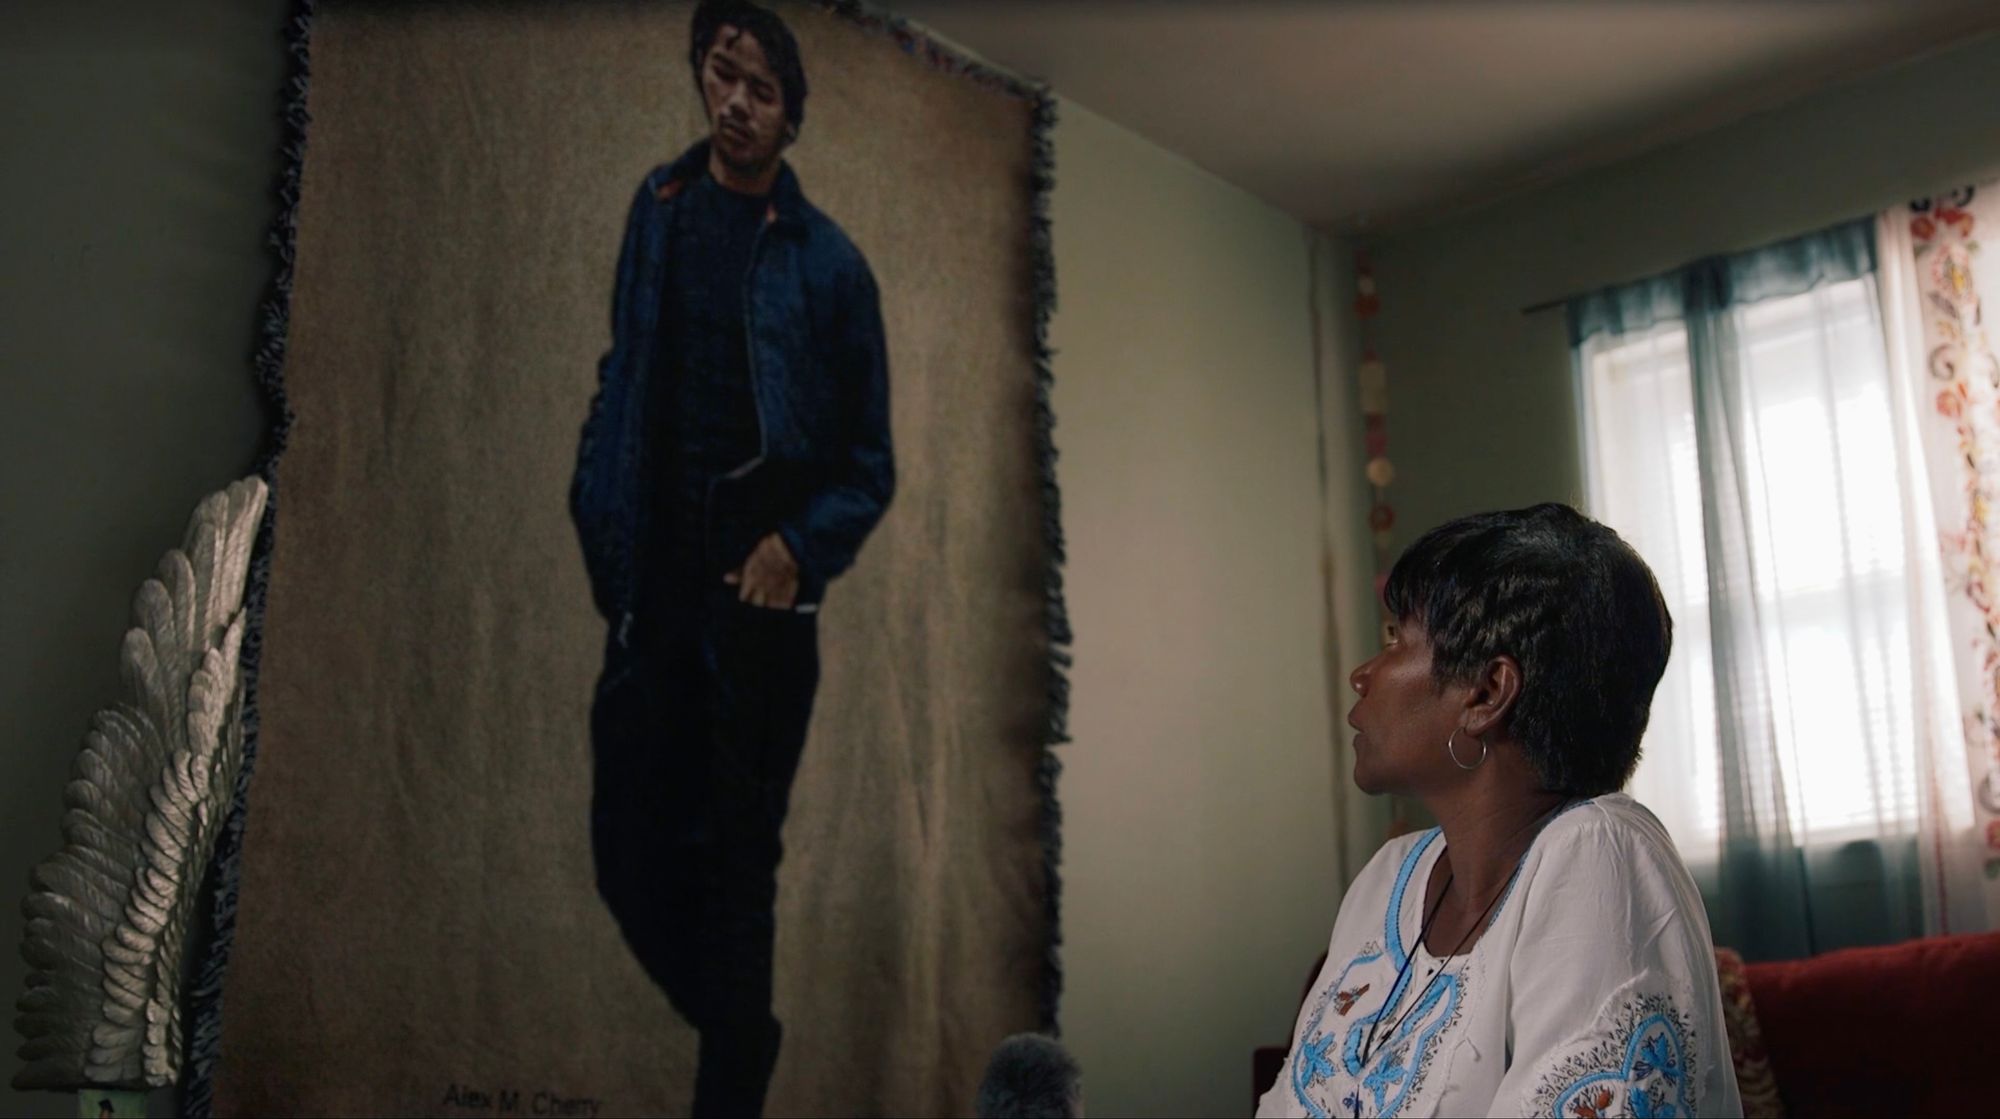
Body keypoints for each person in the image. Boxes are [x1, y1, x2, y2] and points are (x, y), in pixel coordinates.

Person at [567, 1, 893, 1114]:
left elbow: (868, 462)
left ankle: (727, 1094)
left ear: (791, 119)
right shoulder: (655, 211)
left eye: (760, 89)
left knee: (735, 867)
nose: (734, 102)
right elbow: (624, 370)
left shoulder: (831, 268)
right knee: (625, 846)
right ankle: (740, 1036)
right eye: (721, 73)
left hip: (758, 614)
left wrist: (795, 550)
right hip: (653, 590)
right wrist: (594, 496)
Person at [1258, 504, 1741, 1118]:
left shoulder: (1599, 854)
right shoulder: (1388, 881)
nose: (1362, 674)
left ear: (1486, 694)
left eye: (1395, 640)